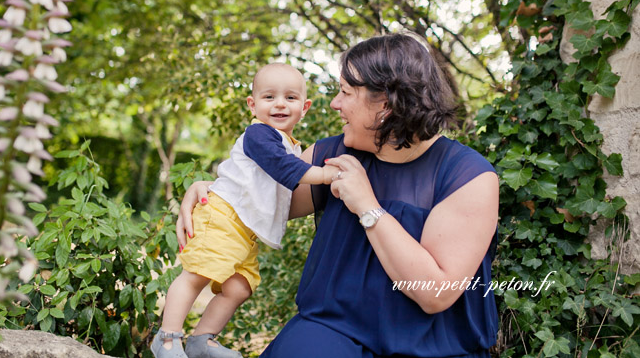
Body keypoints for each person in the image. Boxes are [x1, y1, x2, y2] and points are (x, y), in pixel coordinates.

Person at [177, 34, 499, 358]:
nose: (334, 104)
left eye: (345, 92)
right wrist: (208, 190)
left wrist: (367, 206)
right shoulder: (331, 154)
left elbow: (436, 295)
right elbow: (259, 200)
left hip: (431, 346)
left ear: (385, 105)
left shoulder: (468, 177)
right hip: (330, 332)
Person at [152, 63, 340, 358]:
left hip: (244, 229)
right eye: (269, 97)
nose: (279, 103)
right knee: (198, 274)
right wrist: (326, 175)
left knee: (239, 288)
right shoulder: (260, 135)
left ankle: (202, 341)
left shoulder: (288, 144)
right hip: (223, 216)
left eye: (290, 98)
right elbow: (286, 169)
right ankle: (167, 339)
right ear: (253, 105)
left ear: (304, 108)